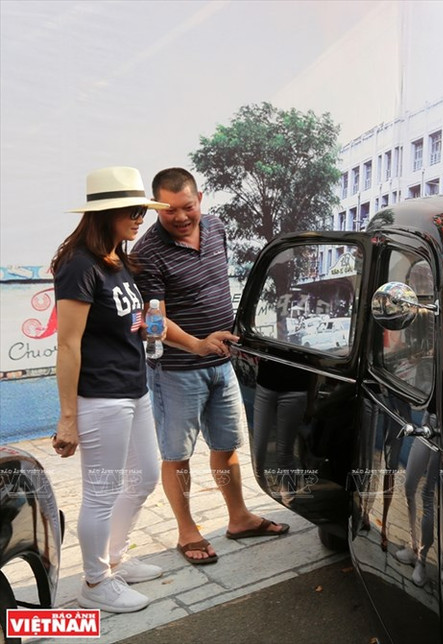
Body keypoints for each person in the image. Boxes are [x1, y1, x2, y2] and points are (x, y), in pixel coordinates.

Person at [131, 167, 288, 566]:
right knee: (177, 455)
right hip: (176, 371)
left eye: (187, 207)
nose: (180, 217)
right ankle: (187, 531)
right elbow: (153, 323)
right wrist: (198, 345)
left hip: (222, 362)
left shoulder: (216, 228)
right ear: (155, 209)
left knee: (226, 446)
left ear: (199, 199)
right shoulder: (146, 254)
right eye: (169, 211)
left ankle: (238, 518)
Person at [52, 166, 167, 612]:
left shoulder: (117, 260)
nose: (141, 219)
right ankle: (96, 584)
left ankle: (114, 558)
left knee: (144, 478)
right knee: (102, 489)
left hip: (134, 388)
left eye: (143, 211)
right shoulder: (79, 265)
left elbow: (133, 324)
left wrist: (174, 337)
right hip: (100, 397)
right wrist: (67, 418)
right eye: (134, 211)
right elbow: (67, 344)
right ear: (108, 213)